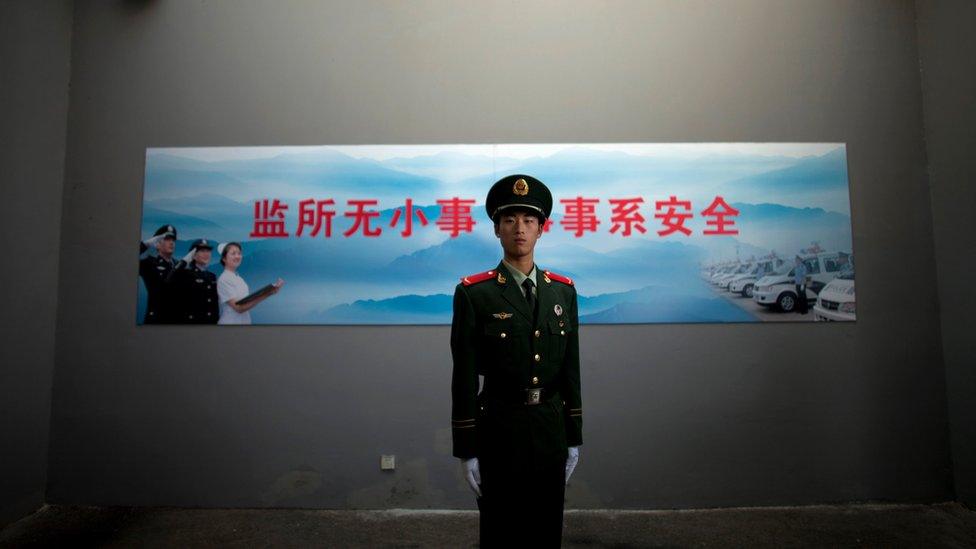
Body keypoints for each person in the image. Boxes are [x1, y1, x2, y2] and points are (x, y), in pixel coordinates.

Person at [451, 174, 583, 548]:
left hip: (550, 429)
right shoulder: (475, 294)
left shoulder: (563, 292)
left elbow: (571, 370)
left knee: (545, 532)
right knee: (501, 533)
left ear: (542, 229)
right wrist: (467, 447)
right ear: (496, 229)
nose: (519, 229)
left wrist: (574, 436)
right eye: (510, 220)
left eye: (528, 220)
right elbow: (463, 376)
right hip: (499, 429)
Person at [216, 241, 284, 325]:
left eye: (239, 253)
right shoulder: (224, 279)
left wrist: (270, 292)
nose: (237, 256)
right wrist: (267, 294)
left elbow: (245, 302)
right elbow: (239, 308)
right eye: (233, 254)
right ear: (224, 258)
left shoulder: (239, 278)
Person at [168, 238, 219, 324]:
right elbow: (170, 278)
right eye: (202, 251)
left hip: (210, 323)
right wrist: (186, 260)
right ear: (193, 255)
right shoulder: (185, 274)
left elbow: (213, 303)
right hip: (193, 323)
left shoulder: (212, 276)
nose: (206, 254)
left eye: (208, 251)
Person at [138, 224, 178, 324]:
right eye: (167, 239)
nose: (171, 242)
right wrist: (145, 244)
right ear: (157, 244)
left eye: (173, 240)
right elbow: (127, 258)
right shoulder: (149, 264)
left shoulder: (179, 265)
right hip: (156, 319)